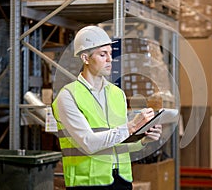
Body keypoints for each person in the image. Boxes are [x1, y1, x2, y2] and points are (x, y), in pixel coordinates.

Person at [52, 25, 162, 190]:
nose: (110, 59)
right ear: (85, 58)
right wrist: (131, 126)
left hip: (121, 181)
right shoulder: (68, 96)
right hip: (87, 183)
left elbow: (119, 143)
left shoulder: (117, 94)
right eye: (103, 54)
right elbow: (88, 143)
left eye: (110, 54)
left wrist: (144, 139)